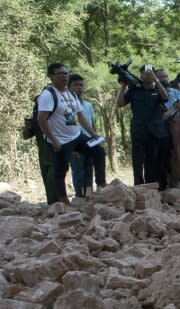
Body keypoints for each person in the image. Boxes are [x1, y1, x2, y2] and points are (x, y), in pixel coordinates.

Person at [37, 63, 105, 205]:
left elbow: (80, 116)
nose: (64, 76)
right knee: (60, 170)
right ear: (51, 76)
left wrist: (93, 134)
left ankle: (101, 183)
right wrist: (54, 141)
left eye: (66, 73)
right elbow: (41, 120)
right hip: (60, 139)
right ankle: (63, 200)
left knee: (98, 150)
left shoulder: (70, 94)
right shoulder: (48, 95)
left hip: (76, 136)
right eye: (60, 74)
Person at [117, 64, 170, 188]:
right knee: (137, 163)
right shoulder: (134, 90)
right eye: (145, 73)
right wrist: (123, 86)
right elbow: (120, 104)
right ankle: (138, 188)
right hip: (138, 132)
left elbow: (166, 97)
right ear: (141, 75)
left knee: (151, 163)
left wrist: (156, 80)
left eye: (151, 72)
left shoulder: (157, 90)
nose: (148, 75)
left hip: (154, 133)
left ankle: (150, 189)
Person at [68, 73, 107, 198]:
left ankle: (93, 192)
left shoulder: (88, 105)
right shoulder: (67, 104)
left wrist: (96, 137)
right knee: (78, 171)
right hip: (74, 143)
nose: (79, 88)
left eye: (81, 85)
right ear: (69, 87)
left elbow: (91, 123)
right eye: (75, 85)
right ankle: (79, 197)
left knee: (90, 168)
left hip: (89, 141)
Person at [156, 69, 180, 187]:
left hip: (176, 125)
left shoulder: (175, 92)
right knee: (165, 154)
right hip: (162, 126)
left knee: (178, 153)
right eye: (161, 76)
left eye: (166, 76)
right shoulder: (155, 92)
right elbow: (163, 116)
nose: (165, 78)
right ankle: (167, 181)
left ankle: (179, 178)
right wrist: (174, 108)